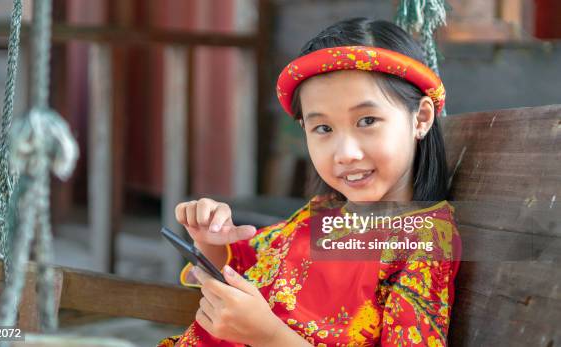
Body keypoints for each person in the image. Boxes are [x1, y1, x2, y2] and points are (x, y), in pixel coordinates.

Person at [158, 17, 461, 347]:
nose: (345, 153)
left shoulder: (423, 244)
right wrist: (213, 244)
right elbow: (246, 267)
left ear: (421, 118)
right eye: (324, 129)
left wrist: (269, 336)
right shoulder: (319, 215)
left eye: (367, 120)